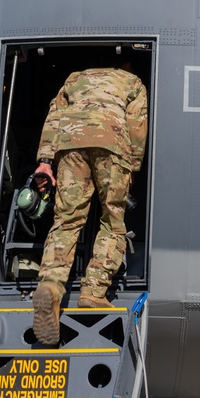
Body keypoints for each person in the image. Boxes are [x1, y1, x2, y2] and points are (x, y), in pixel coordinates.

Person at [31, 49, 148, 346]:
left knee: (67, 221)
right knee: (112, 220)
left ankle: (50, 287)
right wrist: (133, 165)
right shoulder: (131, 80)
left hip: (71, 143)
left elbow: (53, 117)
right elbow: (137, 125)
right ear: (124, 63)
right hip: (112, 142)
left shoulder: (73, 79)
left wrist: (45, 160)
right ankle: (93, 292)